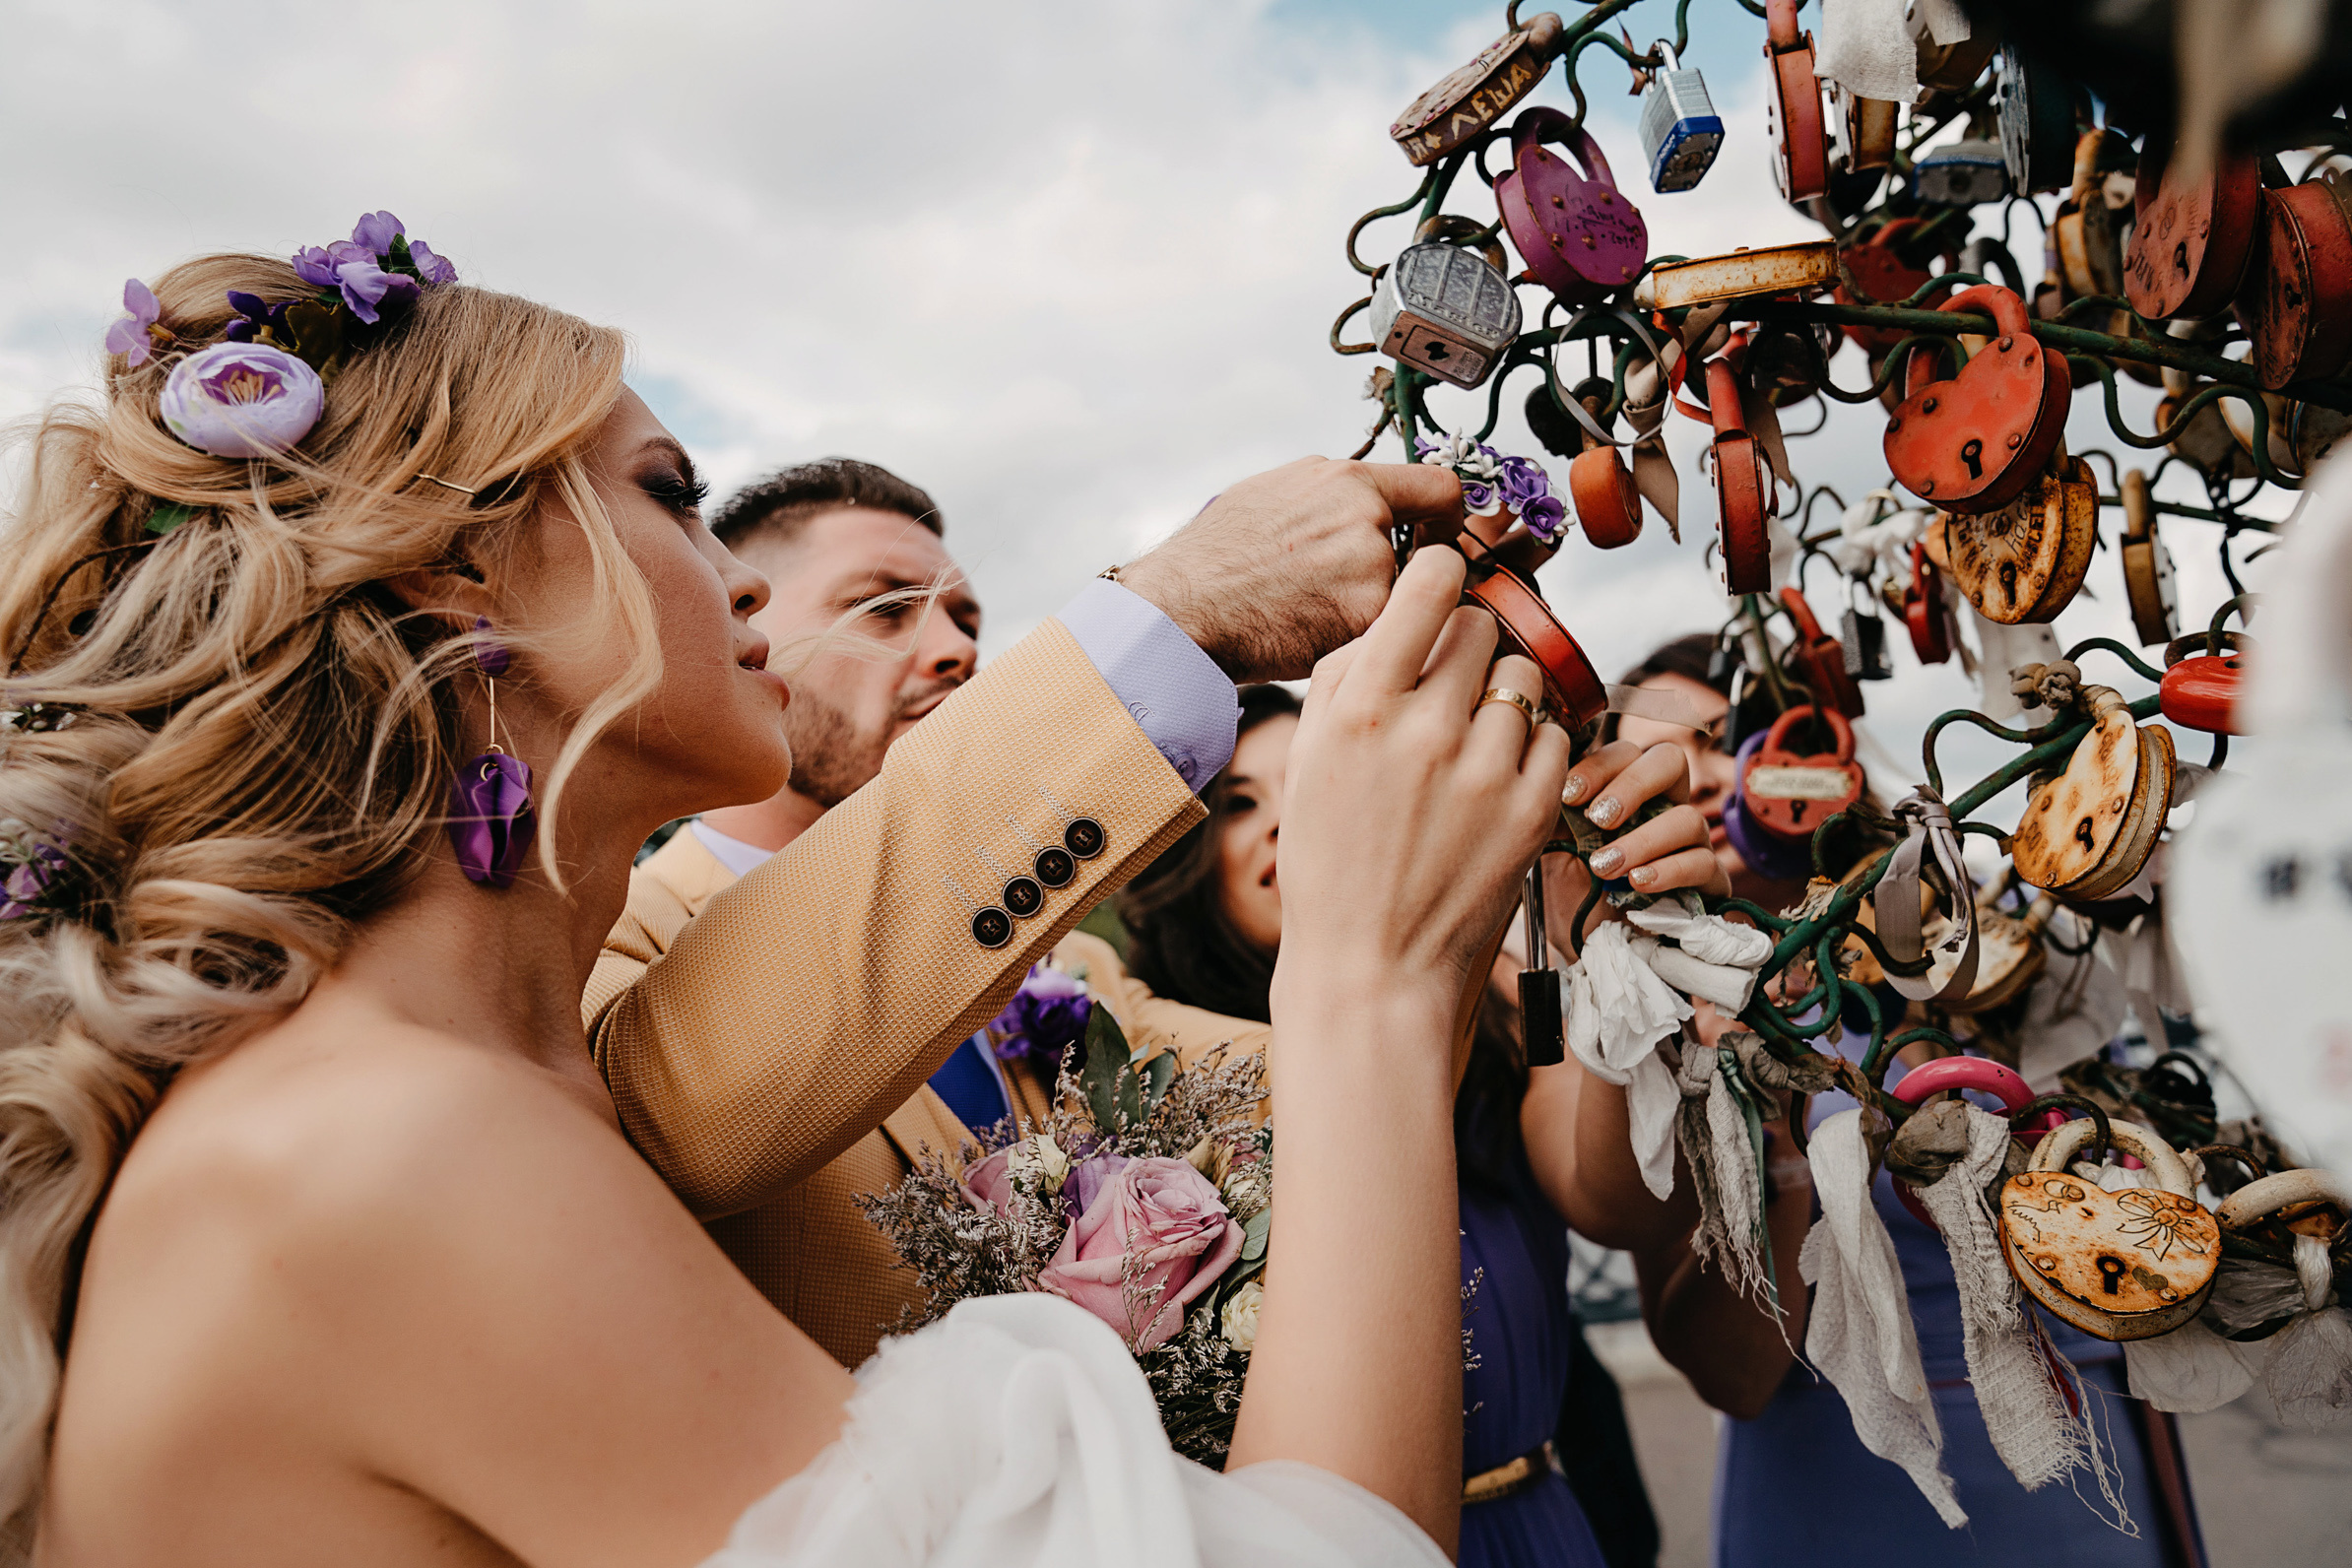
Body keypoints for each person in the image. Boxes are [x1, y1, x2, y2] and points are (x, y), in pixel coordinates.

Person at [11, 230, 1569, 1563]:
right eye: (676, 494)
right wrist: (1366, 972)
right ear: (454, 572)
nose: (737, 582)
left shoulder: (399, 1100)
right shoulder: (377, 1139)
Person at [607, 456, 1252, 1366]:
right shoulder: (613, 944)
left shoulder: (1067, 960)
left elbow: (1286, 1076)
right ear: (740, 617)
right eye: (886, 607)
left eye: (965, 619)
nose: (956, 649)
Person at [1606, 636, 2209, 1568]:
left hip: (2070, 1472)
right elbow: (1730, 1372)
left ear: (1817, 746)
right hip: (1833, 1486)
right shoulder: (1651, 1020)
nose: (1703, 784)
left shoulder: (1982, 946)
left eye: (1727, 740)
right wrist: (1770, 1138)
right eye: (1654, 776)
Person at [1102, 683, 1722, 1568]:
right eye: (1241, 806)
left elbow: (1621, 1205)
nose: (1290, 822)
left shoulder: (1501, 1007)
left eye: (1316, 784)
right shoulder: (1133, 1081)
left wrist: (1624, 950)